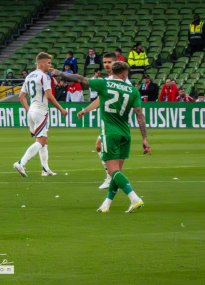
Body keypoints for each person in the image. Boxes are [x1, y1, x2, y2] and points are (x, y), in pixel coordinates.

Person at [53, 61, 151, 213]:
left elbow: (80, 78)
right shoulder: (133, 91)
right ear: (125, 74)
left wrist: (61, 73)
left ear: (112, 71)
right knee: (117, 172)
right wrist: (144, 138)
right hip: (125, 132)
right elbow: (139, 115)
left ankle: (134, 198)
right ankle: (106, 204)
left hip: (109, 132)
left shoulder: (104, 84)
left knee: (113, 172)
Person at [75, 53, 132, 189]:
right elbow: (101, 99)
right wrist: (86, 110)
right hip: (111, 123)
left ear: (116, 63)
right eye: (105, 62)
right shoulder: (108, 80)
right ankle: (113, 178)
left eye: (109, 62)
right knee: (101, 147)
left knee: (108, 152)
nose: (106, 65)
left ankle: (113, 178)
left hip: (116, 123)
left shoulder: (123, 82)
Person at [13, 52, 68, 178]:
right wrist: (61, 109)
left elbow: (21, 97)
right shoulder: (45, 77)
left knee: (44, 139)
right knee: (41, 141)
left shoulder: (29, 76)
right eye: (49, 63)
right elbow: (49, 96)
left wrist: (29, 110)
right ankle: (21, 163)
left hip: (32, 110)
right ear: (42, 63)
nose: (50, 65)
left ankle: (45, 169)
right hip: (41, 111)